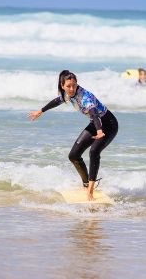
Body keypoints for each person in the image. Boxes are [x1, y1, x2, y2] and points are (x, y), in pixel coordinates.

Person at [28, 70, 119, 201]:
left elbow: (94, 113)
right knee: (74, 155)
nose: (72, 88)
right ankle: (87, 183)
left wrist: (99, 131)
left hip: (108, 125)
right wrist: (41, 111)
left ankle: (90, 192)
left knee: (94, 151)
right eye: (68, 86)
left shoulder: (85, 97)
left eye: (74, 85)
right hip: (95, 124)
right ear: (62, 85)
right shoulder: (67, 94)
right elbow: (57, 101)